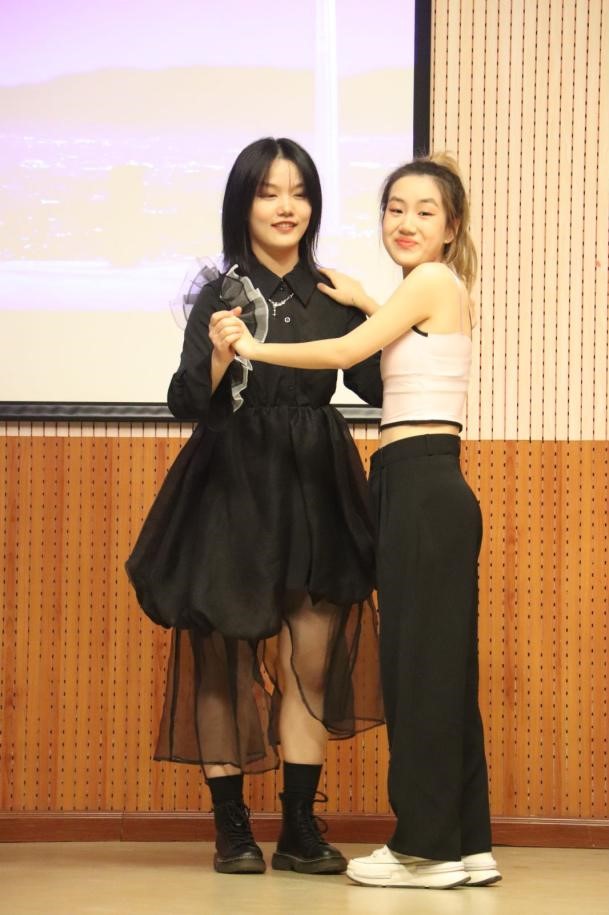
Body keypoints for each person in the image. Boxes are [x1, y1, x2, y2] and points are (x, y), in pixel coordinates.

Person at [220, 153, 502, 889]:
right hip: (421, 483)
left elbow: (349, 350)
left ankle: (424, 849)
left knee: (417, 673)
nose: (405, 222)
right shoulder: (424, 290)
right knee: (440, 670)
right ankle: (466, 843)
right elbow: (401, 350)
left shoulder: (430, 281)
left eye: (424, 212)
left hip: (421, 484)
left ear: (451, 227)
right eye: (394, 209)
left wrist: (251, 346)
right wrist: (370, 296)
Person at [126, 137, 384, 876]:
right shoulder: (219, 294)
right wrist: (217, 355)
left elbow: (376, 384)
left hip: (315, 482)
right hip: (232, 483)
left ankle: (298, 828)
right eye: (269, 192)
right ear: (243, 204)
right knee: (222, 658)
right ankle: (231, 829)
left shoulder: (332, 293)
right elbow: (185, 401)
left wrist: (374, 307)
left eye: (298, 192)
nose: (285, 206)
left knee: (310, 659)